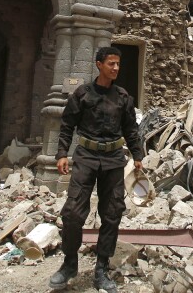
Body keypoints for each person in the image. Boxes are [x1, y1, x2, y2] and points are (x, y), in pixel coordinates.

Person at [48, 46, 144, 293]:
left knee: (112, 213)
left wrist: (138, 156)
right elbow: (67, 125)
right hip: (86, 157)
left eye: (118, 64)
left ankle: (101, 268)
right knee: (72, 213)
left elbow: (131, 130)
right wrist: (61, 154)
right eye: (111, 63)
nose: (116, 68)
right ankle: (70, 263)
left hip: (113, 159)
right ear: (99, 64)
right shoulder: (82, 94)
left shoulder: (123, 97)